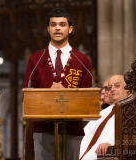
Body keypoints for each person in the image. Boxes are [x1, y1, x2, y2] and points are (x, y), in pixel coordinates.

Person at [23, 8, 92, 160]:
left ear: (70, 28)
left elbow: (87, 97)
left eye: (62, 24)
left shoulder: (82, 60)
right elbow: (27, 94)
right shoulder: (35, 59)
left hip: (73, 129)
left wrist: (66, 92)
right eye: (53, 25)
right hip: (43, 129)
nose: (58, 28)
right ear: (48, 28)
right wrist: (49, 92)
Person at [79, 75, 129, 160]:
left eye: (117, 86)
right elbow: (85, 135)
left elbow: (133, 139)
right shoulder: (102, 113)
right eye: (110, 87)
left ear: (127, 88)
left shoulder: (133, 112)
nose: (112, 89)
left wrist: (113, 145)